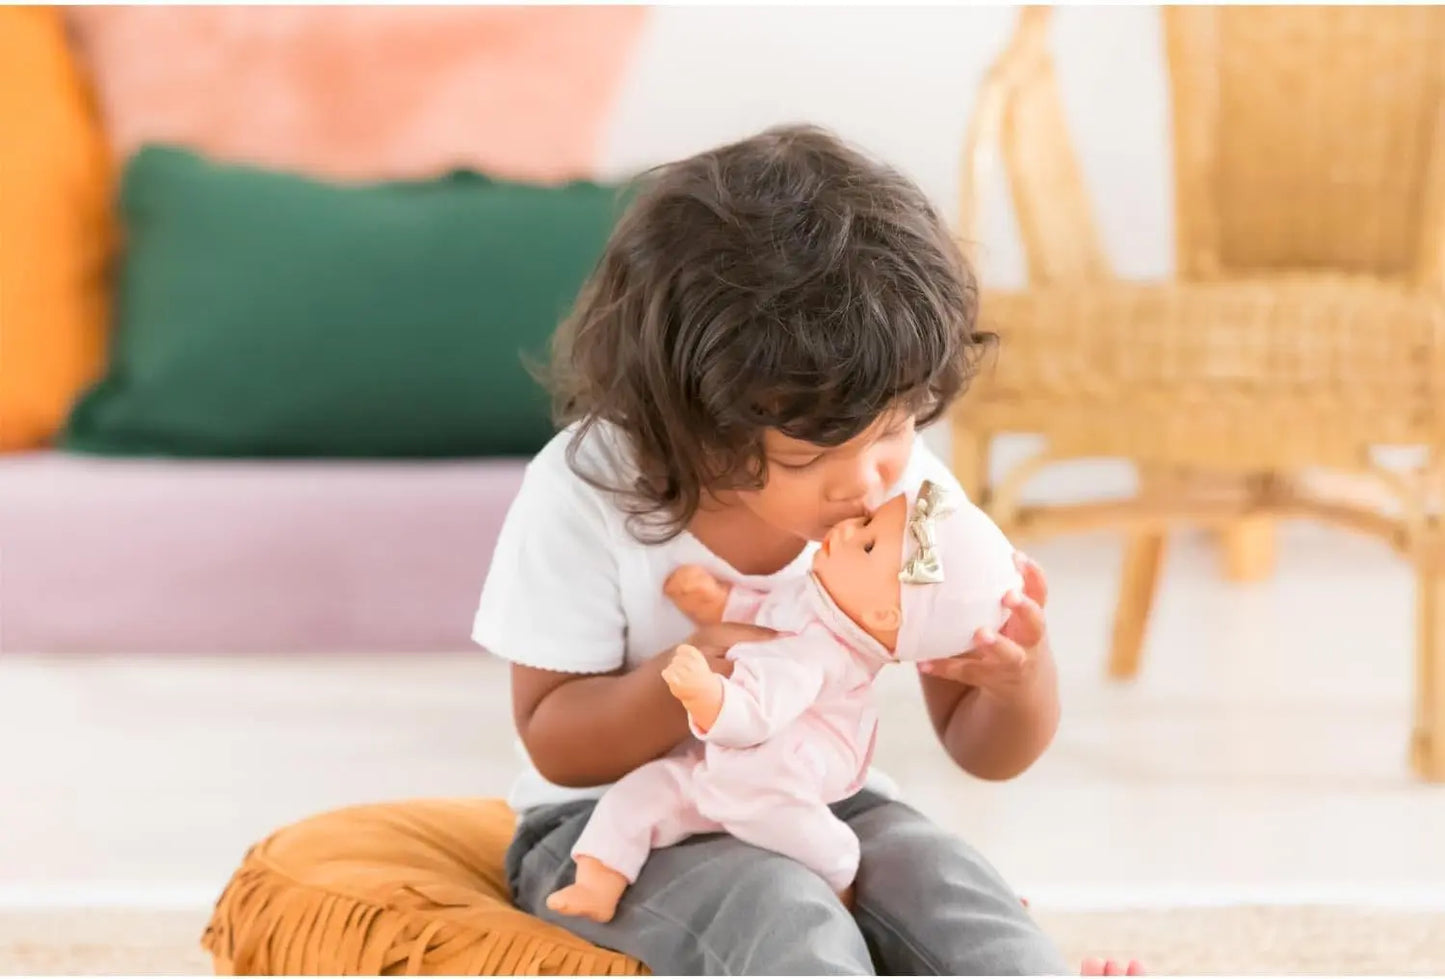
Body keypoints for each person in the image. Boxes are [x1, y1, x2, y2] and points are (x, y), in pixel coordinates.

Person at [476, 123, 1139, 976]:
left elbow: (983, 752)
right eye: (806, 456)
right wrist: (693, 677)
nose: (865, 483)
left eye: (896, 429)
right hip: (610, 824)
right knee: (784, 916)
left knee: (947, 883)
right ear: (690, 421)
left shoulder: (910, 494)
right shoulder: (584, 489)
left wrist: (1016, 678)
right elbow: (554, 741)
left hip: (821, 799)